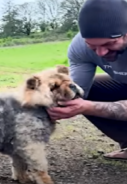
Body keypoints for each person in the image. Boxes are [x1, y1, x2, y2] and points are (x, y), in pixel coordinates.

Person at [47, 0, 127, 161]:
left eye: (110, 44)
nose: (101, 52)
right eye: (92, 46)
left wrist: (89, 107)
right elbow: (74, 92)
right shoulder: (79, 47)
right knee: (78, 91)